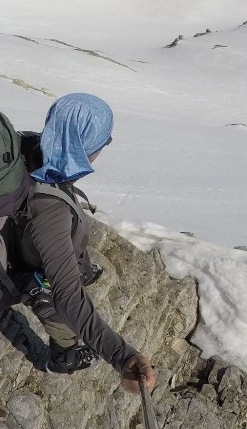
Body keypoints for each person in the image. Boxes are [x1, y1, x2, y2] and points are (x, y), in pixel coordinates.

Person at [12, 93, 156, 395]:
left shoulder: (29, 145)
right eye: (102, 142)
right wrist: (122, 355)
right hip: (28, 268)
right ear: (84, 148)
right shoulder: (50, 212)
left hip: (24, 240)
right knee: (60, 315)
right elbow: (69, 299)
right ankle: (62, 359)